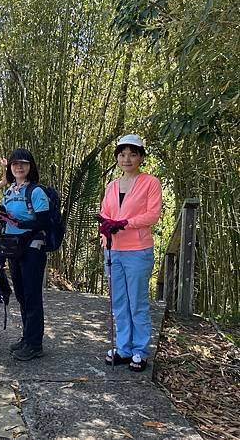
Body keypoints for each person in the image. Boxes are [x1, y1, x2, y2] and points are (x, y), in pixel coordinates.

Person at [98, 134, 162, 372]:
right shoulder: (112, 185)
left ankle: (140, 350)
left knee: (137, 302)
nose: (126, 159)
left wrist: (124, 222)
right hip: (113, 250)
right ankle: (123, 348)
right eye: (122, 154)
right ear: (117, 158)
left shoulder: (150, 183)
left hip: (137, 250)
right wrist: (105, 229)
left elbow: (152, 215)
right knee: (119, 302)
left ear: (141, 157)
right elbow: (104, 213)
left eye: (132, 154)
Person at [2, 148, 51, 361]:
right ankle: (26, 337)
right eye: (14, 164)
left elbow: (44, 221)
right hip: (14, 247)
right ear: (10, 168)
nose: (18, 167)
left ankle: (35, 343)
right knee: (21, 294)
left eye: (23, 163)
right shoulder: (10, 191)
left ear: (30, 166)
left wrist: (21, 223)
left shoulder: (36, 191)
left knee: (32, 295)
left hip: (32, 247)